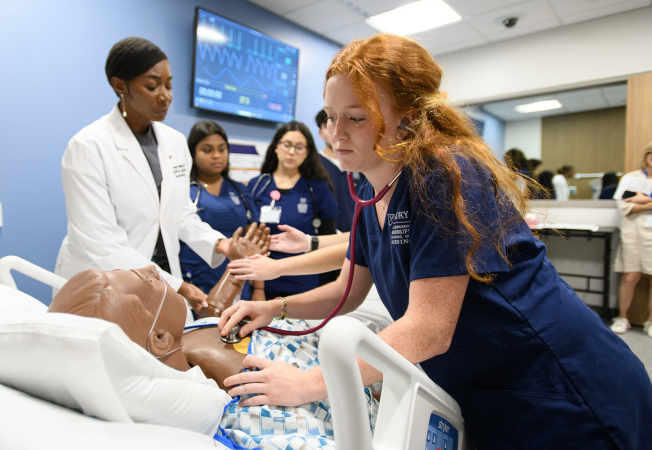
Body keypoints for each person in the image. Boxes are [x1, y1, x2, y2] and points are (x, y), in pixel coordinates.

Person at [219, 33, 652, 449]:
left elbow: (428, 329)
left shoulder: (443, 174)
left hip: (559, 380)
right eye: (331, 117)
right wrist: (272, 307)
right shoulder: (369, 190)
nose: (336, 134)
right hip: (488, 384)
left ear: (407, 121)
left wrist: (309, 384)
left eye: (356, 117)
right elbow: (345, 291)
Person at [48, 265, 378, 449]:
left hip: (365, 356)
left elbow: (214, 311)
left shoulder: (187, 331)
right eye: (148, 281)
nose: (152, 267)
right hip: (375, 374)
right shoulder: (248, 407)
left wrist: (242, 275)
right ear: (160, 339)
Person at [55, 37, 235, 316]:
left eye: (169, 85)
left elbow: (180, 214)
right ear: (120, 86)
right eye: (152, 86)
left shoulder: (174, 143)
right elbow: (99, 242)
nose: (165, 95)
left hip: (162, 275)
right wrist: (178, 286)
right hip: (103, 282)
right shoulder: (88, 147)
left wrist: (221, 243)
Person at [248, 121, 339, 299]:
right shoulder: (257, 185)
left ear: (307, 153)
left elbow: (328, 236)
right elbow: (247, 234)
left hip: (304, 282)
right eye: (287, 145)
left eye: (299, 147)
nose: (291, 152)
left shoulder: (317, 188)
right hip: (261, 282)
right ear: (276, 147)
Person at [180, 120, 264, 303]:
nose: (216, 155)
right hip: (196, 287)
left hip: (238, 286)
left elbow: (255, 244)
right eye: (207, 150)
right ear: (193, 152)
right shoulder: (184, 190)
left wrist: (258, 288)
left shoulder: (241, 191)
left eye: (222, 149)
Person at [609, 144, 652, 337]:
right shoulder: (631, 178)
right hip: (633, 230)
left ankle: (650, 321)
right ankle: (622, 317)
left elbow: (633, 204)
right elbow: (624, 207)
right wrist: (646, 204)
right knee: (630, 276)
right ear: (646, 156)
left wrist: (642, 199)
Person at [315, 109, 365, 233]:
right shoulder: (315, 164)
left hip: (359, 233)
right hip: (328, 235)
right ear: (321, 134)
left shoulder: (360, 163)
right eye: (328, 126)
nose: (334, 132)